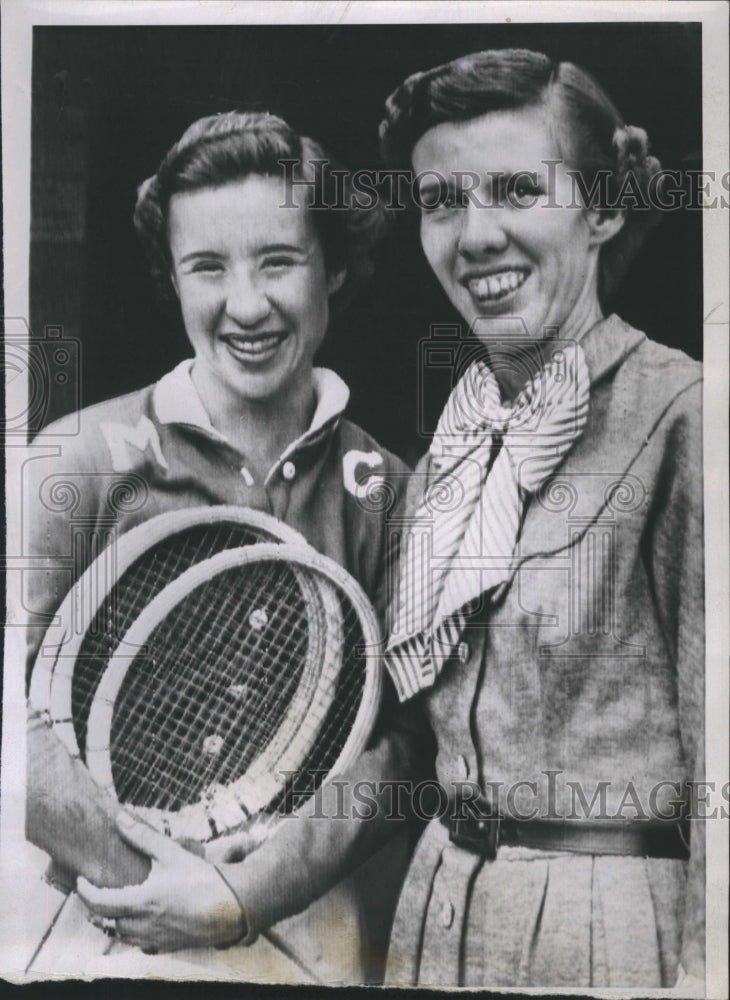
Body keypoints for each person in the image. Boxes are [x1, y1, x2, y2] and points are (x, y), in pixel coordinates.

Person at [78, 49, 704, 990]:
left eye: (516, 190)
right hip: (435, 922)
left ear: (603, 207)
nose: (475, 234)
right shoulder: (456, 442)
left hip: (612, 942)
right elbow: (411, 740)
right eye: (443, 202)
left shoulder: (689, 419)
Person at [25, 109, 412, 983]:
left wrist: (250, 898)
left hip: (308, 951)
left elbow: (406, 745)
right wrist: (163, 890)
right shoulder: (75, 462)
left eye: (278, 261)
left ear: (337, 267)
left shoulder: (391, 490)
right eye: (207, 267)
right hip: (99, 948)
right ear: (172, 277)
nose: (246, 305)